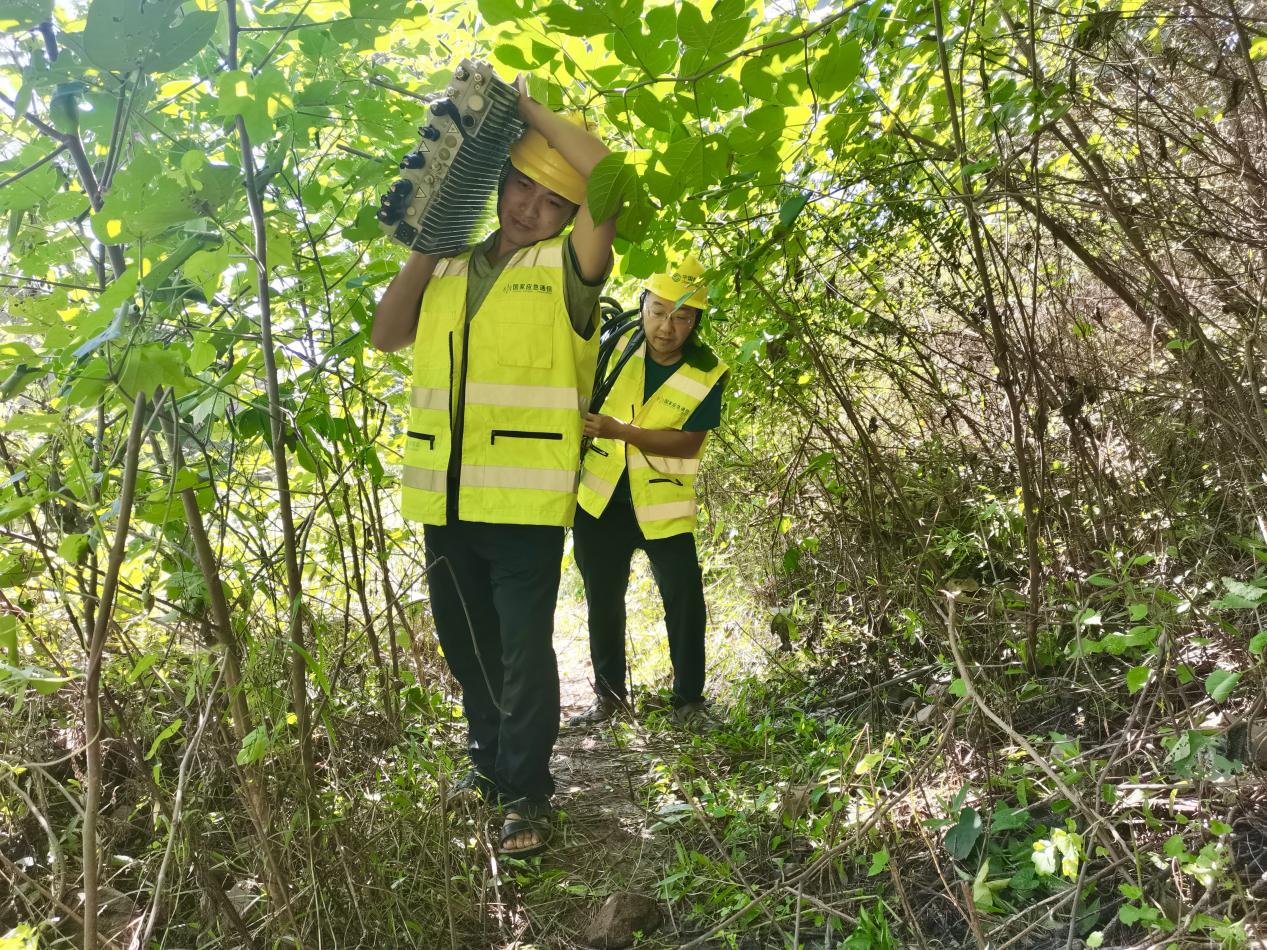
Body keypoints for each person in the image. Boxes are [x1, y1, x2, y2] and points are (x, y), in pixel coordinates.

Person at [371, 76, 616, 857]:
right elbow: (386, 336)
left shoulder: (568, 272)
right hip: (442, 501)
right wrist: (426, 246)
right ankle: (487, 768)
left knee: (520, 652)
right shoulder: (445, 265)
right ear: (495, 182)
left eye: (549, 201)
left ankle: (527, 795)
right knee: (466, 648)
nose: (526, 208)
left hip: (524, 504)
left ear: (567, 218)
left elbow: (613, 180)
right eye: (517, 185)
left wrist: (525, 109)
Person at [569, 255, 729, 732]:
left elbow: (688, 442)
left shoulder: (708, 371)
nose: (667, 327)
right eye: (658, 311)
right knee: (603, 599)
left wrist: (624, 431)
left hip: (663, 507)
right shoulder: (615, 348)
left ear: (696, 321)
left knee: (684, 601)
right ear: (642, 307)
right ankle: (609, 699)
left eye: (682, 316)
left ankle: (688, 703)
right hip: (599, 502)